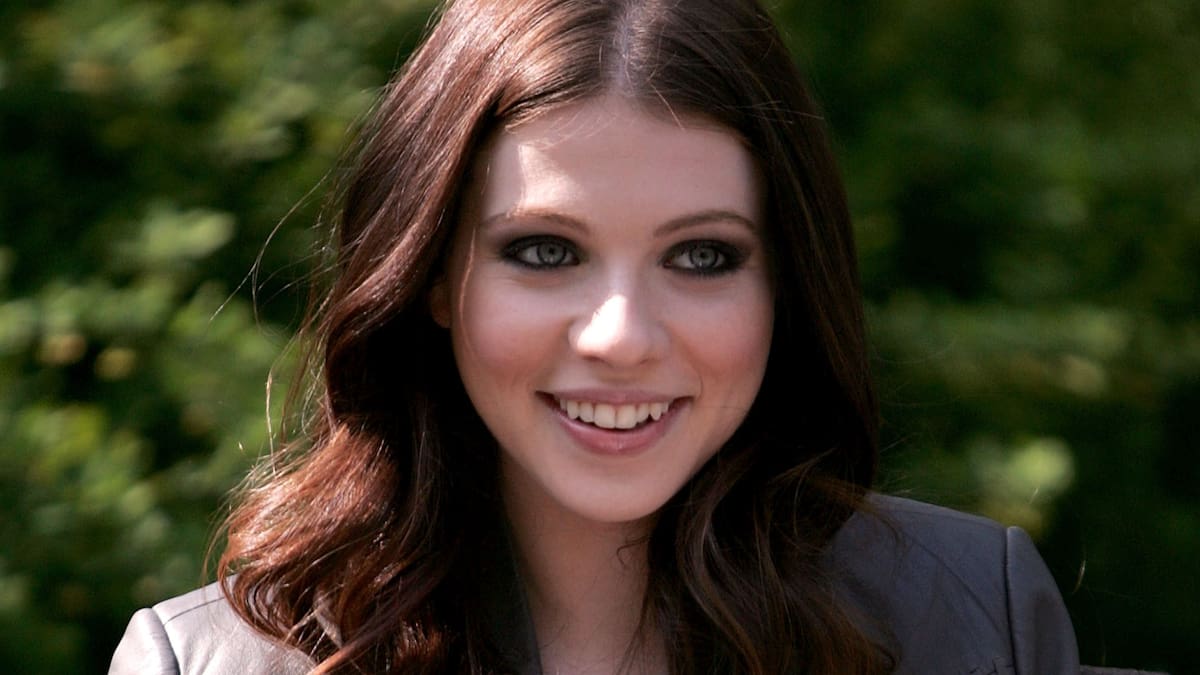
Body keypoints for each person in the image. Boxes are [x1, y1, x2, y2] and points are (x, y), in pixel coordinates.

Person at [110, 0, 1084, 673]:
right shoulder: (205, 663)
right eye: (544, 251)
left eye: (701, 256)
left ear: (786, 284)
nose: (621, 336)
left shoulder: (976, 620)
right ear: (433, 275)